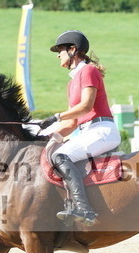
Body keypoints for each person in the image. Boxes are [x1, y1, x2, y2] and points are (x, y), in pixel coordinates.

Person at [38, 30, 121, 227]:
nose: (58, 55)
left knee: (61, 156)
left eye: (60, 50)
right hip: (87, 131)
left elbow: (85, 106)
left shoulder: (88, 71)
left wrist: (56, 117)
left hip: (102, 130)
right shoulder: (71, 83)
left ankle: (84, 209)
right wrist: (47, 136)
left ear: (73, 49)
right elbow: (71, 123)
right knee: (55, 152)